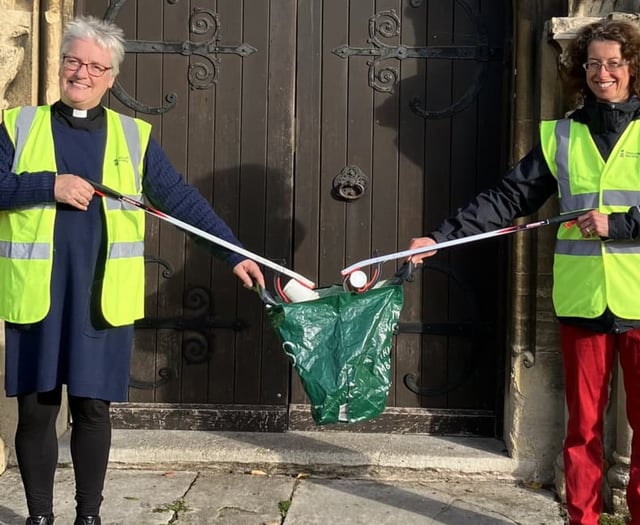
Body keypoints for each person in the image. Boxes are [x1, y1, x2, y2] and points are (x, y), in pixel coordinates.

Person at [0, 15, 265, 525]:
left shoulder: (133, 136)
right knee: (37, 410)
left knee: (93, 410)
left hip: (102, 300)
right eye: (73, 61)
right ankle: (39, 517)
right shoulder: (19, 126)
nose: (82, 73)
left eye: (95, 67)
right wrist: (46, 186)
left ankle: (89, 517)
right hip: (37, 297)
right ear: (60, 64)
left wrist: (234, 252)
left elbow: (180, 199)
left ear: (111, 78)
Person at [407, 18, 640, 525]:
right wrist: (442, 237)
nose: (604, 73)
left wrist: (619, 223)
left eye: (614, 63)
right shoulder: (563, 135)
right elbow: (509, 197)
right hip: (582, 302)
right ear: (581, 69)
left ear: (632, 68)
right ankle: (582, 519)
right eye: (594, 63)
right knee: (582, 431)